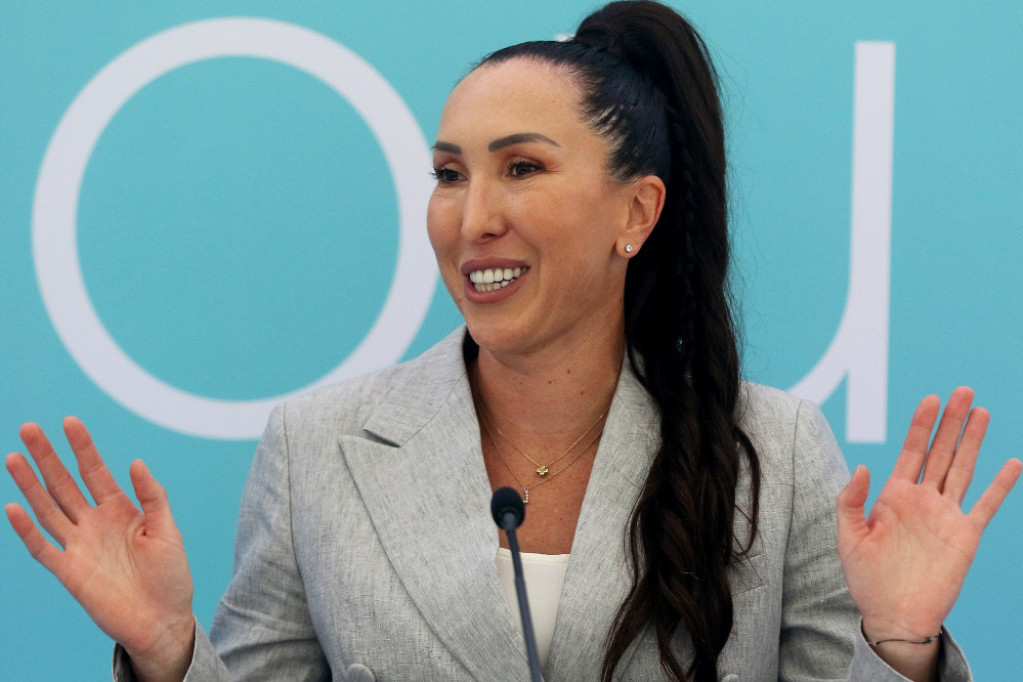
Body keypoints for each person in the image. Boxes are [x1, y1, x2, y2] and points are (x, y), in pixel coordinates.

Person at [5, 2, 1021, 681]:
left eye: (522, 169)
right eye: (450, 175)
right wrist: (168, 652)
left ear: (636, 212)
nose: (473, 217)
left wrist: (901, 645)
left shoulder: (777, 449)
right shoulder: (318, 446)